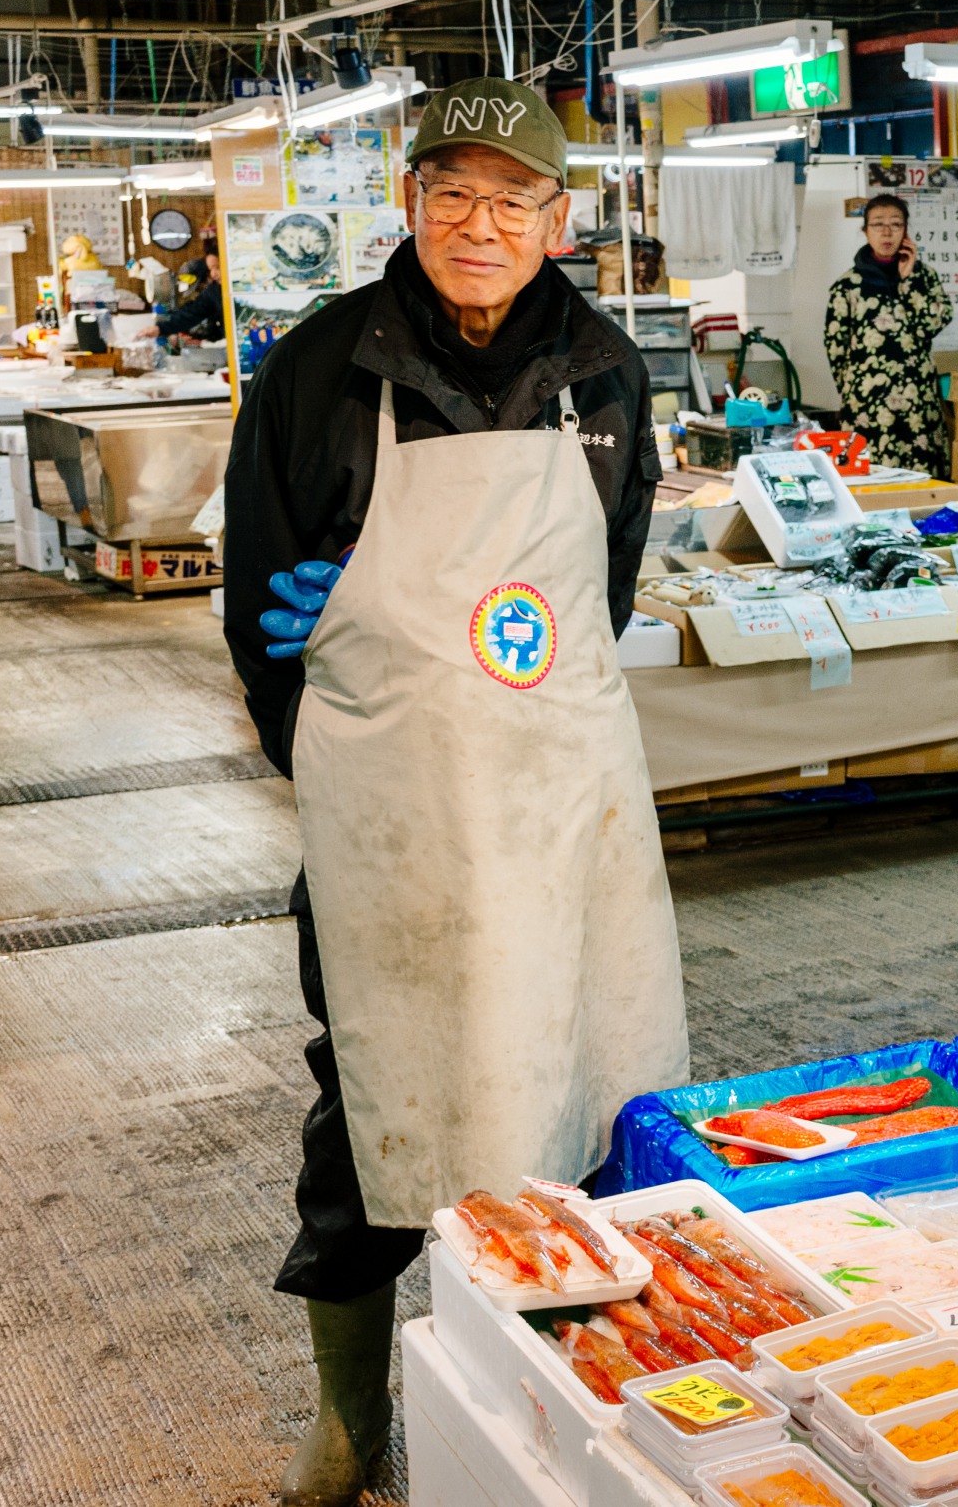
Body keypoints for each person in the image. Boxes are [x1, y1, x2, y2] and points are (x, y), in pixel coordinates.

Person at [222, 77, 686, 1507]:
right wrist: (356, 744)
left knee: (588, 1082)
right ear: (410, 203)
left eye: (513, 200)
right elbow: (258, 618)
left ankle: (583, 1392)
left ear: (559, 217)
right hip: (392, 821)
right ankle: (353, 1420)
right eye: (451, 195)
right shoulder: (310, 374)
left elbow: (599, 591)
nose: (479, 226)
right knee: (364, 1096)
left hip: (557, 807)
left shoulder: (608, 372)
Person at [824, 192, 953, 473]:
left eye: (896, 224)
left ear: (906, 231)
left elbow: (934, 323)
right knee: (871, 475)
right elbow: (835, 346)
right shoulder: (848, 284)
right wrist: (851, 390)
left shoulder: (924, 277)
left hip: (917, 398)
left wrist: (907, 283)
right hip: (867, 401)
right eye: (878, 224)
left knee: (923, 478)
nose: (887, 232)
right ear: (865, 231)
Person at [162, 255, 224, 346]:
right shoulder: (211, 298)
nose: (200, 292)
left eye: (199, 287)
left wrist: (201, 343)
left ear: (208, 278)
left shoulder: (219, 296)